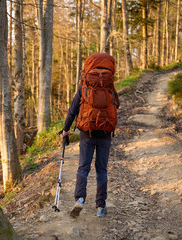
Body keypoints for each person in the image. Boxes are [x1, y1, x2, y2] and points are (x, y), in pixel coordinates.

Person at [61, 53, 120, 218]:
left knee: (83, 168)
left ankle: (79, 199)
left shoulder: (84, 87)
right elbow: (117, 104)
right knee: (101, 170)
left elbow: (73, 110)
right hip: (105, 132)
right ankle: (100, 207)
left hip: (87, 132)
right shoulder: (109, 87)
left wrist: (66, 129)